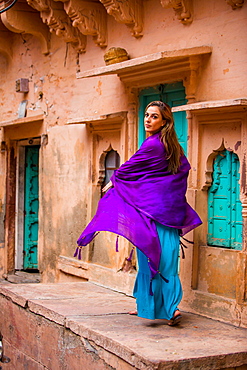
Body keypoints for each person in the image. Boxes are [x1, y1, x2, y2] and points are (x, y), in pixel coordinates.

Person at [75, 101, 202, 326]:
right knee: (168, 261)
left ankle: (167, 308)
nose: (148, 120)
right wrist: (160, 192)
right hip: (169, 213)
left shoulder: (153, 145)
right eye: (146, 115)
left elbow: (130, 168)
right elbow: (177, 176)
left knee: (152, 257)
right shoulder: (173, 146)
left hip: (154, 214)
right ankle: (156, 306)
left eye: (154, 116)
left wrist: (115, 181)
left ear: (165, 122)